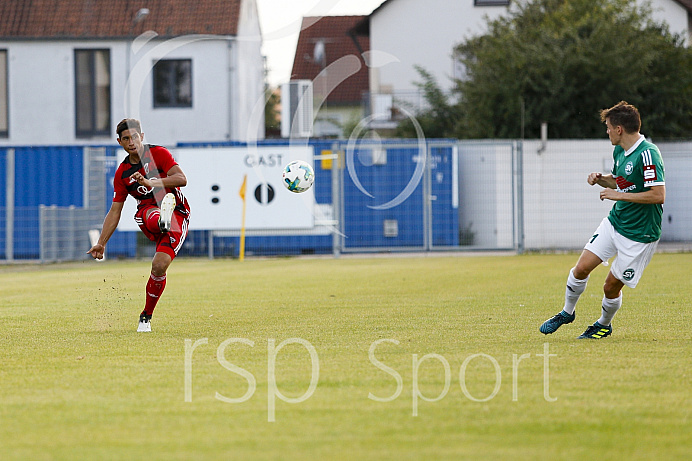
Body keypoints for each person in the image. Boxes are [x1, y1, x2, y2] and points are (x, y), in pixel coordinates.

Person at [540, 101, 665, 339]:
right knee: (580, 269)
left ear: (619, 129)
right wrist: (601, 179)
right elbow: (622, 181)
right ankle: (567, 313)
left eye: (608, 127)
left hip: (640, 235)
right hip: (616, 222)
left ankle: (603, 324)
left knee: (610, 286)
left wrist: (617, 194)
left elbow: (658, 195)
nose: (606, 131)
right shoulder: (619, 150)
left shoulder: (649, 153)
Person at [87, 118, 191, 332]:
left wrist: (152, 182)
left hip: (178, 214)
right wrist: (101, 243)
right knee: (151, 212)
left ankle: (146, 316)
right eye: (126, 138)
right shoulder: (122, 173)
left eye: (135, 136)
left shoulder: (158, 154)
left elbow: (181, 179)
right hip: (148, 214)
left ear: (142, 136)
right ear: (120, 142)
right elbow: (115, 210)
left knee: (159, 266)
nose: (132, 141)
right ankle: (162, 218)